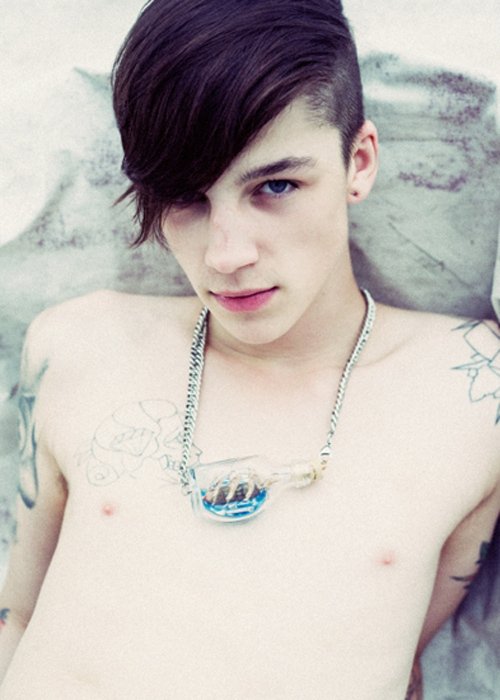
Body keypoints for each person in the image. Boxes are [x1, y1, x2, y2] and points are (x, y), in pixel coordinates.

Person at [0, 0, 498, 697]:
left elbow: (399, 665)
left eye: (276, 186)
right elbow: (16, 617)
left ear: (358, 162)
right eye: (186, 198)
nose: (226, 256)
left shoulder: (472, 391)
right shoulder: (80, 344)